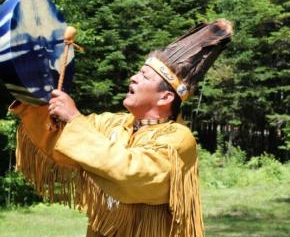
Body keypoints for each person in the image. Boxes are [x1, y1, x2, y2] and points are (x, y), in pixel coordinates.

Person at [11, 19, 233, 237]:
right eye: (138, 72)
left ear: (165, 97)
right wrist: (23, 89)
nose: (133, 77)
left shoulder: (178, 139)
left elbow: (129, 175)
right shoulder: (114, 123)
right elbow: (59, 138)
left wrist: (74, 117)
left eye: (144, 76)